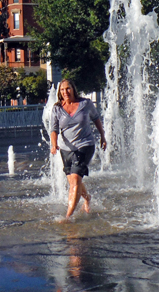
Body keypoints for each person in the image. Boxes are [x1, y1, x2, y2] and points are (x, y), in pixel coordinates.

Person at [50, 80, 107, 221]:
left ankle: (68, 216)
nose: (65, 92)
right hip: (66, 149)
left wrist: (102, 136)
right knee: (74, 183)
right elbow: (54, 129)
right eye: (62, 89)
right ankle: (87, 199)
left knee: (75, 180)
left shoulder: (85, 104)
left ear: (73, 89)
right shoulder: (57, 108)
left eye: (68, 89)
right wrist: (54, 144)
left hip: (85, 145)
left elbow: (96, 118)